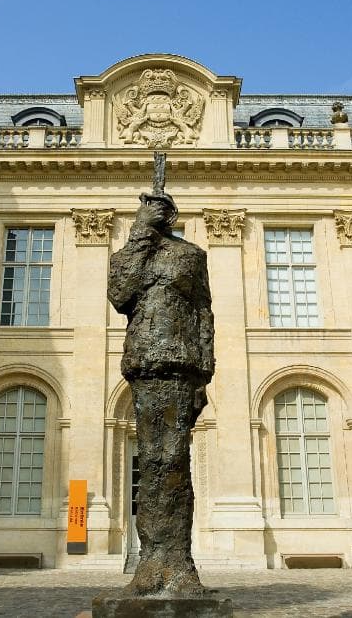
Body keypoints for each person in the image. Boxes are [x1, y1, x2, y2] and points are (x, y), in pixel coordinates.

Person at [107, 190, 214, 596]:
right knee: (152, 461)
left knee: (175, 462)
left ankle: (179, 562)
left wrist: (205, 374)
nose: (159, 214)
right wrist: (140, 234)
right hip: (145, 361)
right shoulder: (131, 253)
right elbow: (120, 294)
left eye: (165, 210)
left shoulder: (191, 256)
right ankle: (152, 562)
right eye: (152, 209)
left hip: (183, 365)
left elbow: (204, 313)